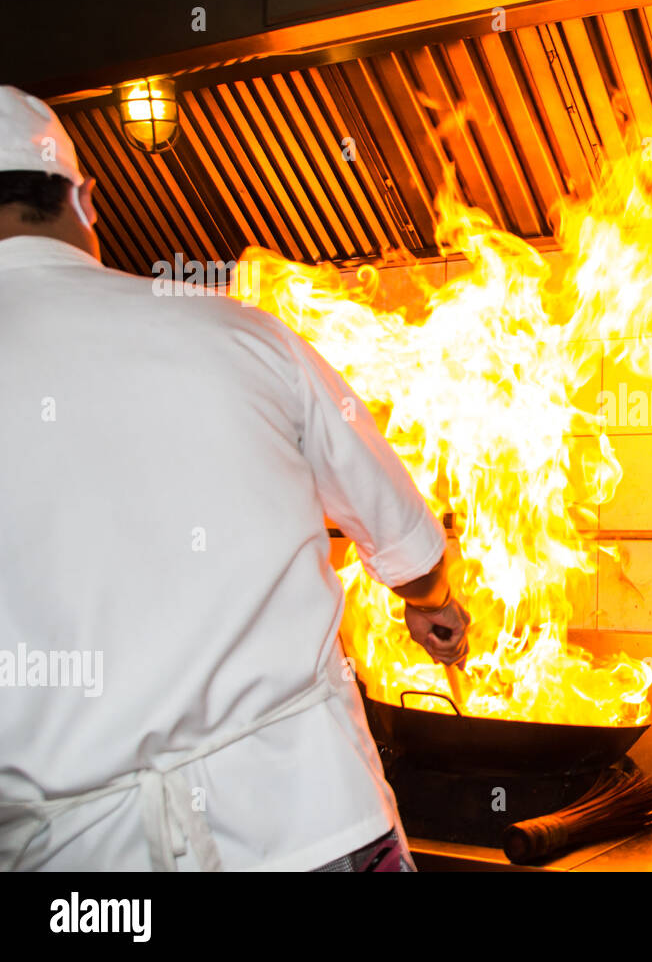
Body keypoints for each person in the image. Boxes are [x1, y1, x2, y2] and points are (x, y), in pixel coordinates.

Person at [0, 86, 470, 871]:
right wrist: (432, 605)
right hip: (312, 830)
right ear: (86, 199)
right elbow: (407, 544)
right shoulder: (239, 330)